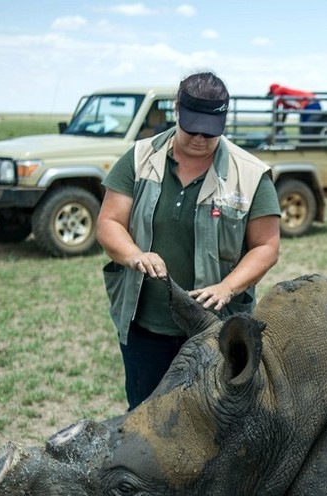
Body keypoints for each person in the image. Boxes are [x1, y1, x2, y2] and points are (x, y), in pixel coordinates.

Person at [97, 71, 281, 411]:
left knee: (215, 417)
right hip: (147, 326)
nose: (200, 138)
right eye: (191, 127)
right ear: (177, 109)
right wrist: (134, 255)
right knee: (146, 415)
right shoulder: (138, 159)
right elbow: (109, 223)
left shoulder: (250, 173)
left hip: (215, 329)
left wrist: (227, 287)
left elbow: (267, 246)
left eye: (210, 132)